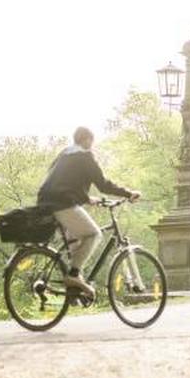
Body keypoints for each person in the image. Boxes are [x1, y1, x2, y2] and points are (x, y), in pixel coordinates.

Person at [37, 127, 141, 297]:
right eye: (91, 141)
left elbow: (64, 182)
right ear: (87, 140)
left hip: (45, 202)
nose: (92, 146)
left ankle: (74, 293)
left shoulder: (64, 155)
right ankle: (73, 277)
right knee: (94, 234)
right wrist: (129, 194)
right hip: (62, 204)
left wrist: (86, 199)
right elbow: (103, 185)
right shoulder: (85, 156)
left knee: (76, 245)